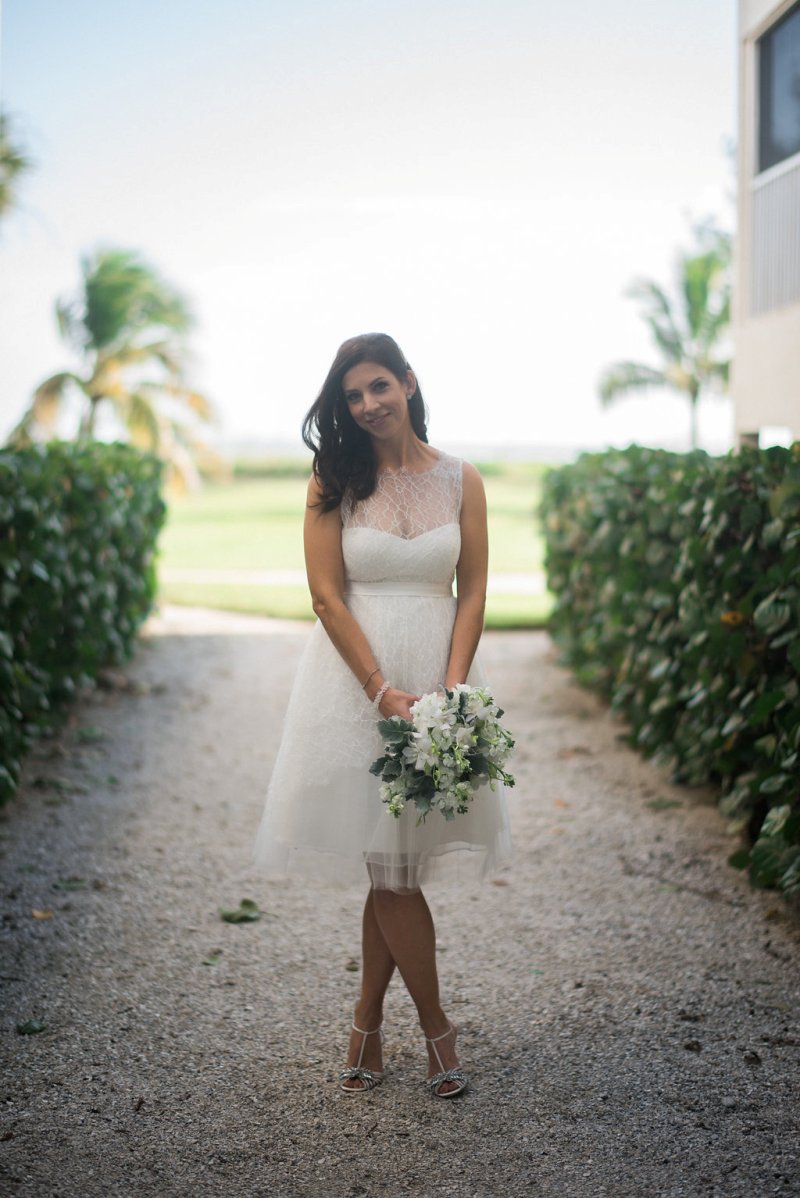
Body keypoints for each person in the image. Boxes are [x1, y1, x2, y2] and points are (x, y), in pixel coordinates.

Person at [253, 332, 512, 1098]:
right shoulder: (332, 479)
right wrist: (378, 690)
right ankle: (439, 1032)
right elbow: (326, 595)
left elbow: (474, 590)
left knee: (390, 864)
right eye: (352, 396)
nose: (367, 405)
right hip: (354, 689)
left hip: (436, 682)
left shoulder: (464, 480)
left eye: (377, 388)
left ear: (407, 382)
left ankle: (366, 1018)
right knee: (392, 871)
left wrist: (453, 692)